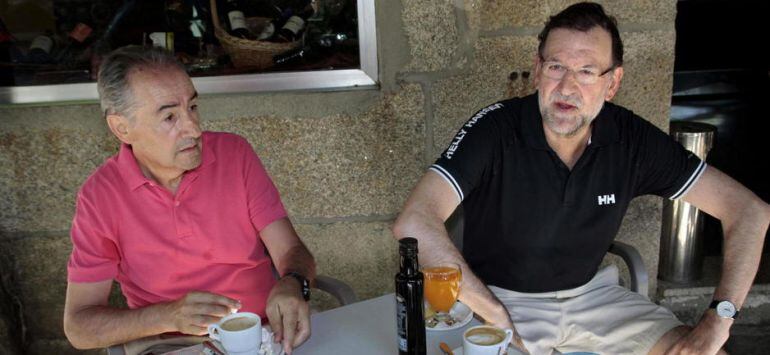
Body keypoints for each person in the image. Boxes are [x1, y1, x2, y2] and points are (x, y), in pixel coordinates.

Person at [392, 2, 770, 354]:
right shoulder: (495, 129)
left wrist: (718, 320)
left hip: (596, 298)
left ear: (612, 82)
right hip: (502, 299)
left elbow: (749, 211)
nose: (567, 87)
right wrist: (493, 310)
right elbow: (414, 221)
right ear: (538, 70)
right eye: (556, 67)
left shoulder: (631, 139)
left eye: (587, 71)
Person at [63, 45, 315, 355]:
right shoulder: (100, 196)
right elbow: (79, 326)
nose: (194, 129)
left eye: (192, 107)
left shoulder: (234, 154)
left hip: (262, 337)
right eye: (170, 116)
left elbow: (291, 249)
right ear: (122, 128)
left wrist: (293, 282)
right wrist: (167, 315)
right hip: (170, 347)